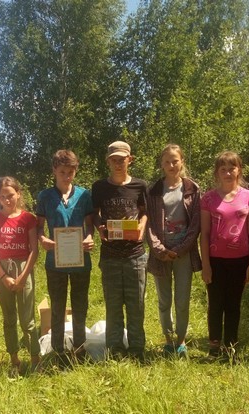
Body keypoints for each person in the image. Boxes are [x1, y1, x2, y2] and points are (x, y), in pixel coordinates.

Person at [36, 150, 94, 367]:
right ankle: (58, 351)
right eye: (62, 172)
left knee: (80, 305)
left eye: (70, 172)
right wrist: (42, 239)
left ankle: (79, 348)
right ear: (54, 171)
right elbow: (38, 227)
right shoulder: (44, 196)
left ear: (75, 171)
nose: (66, 176)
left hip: (80, 261)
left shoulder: (84, 195)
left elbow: (90, 225)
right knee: (58, 306)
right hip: (55, 261)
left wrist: (89, 237)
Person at [92, 141, 148, 363]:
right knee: (113, 305)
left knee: (136, 305)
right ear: (108, 161)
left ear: (129, 160)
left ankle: (137, 348)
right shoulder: (99, 187)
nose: (118, 163)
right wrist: (100, 227)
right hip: (110, 256)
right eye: (114, 160)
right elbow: (94, 213)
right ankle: (115, 348)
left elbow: (145, 212)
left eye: (122, 159)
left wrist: (142, 226)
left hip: (135, 254)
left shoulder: (140, 186)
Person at [200, 151, 249, 359]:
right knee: (215, 304)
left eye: (231, 168)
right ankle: (214, 346)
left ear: (239, 170)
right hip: (215, 261)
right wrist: (206, 265)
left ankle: (230, 347)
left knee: (233, 304)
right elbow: (205, 234)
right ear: (217, 173)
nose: (227, 173)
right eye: (223, 169)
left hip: (240, 260)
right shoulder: (208, 199)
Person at [146, 144, 201, 357]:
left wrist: (180, 249)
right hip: (160, 254)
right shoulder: (153, 191)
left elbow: (195, 224)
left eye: (175, 161)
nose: (171, 165)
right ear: (161, 164)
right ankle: (168, 340)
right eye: (167, 161)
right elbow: (149, 224)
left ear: (182, 162)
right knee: (164, 300)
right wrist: (160, 250)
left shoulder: (192, 188)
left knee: (182, 300)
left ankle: (181, 340)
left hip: (183, 253)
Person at [0, 176, 40, 376]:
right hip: (3, 270)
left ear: (18, 194)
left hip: (23, 269)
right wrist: (3, 277)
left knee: (27, 320)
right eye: (3, 197)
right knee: (9, 318)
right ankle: (14, 360)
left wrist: (23, 277)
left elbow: (34, 250)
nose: (7, 200)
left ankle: (35, 360)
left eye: (10, 195)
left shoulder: (28, 218)